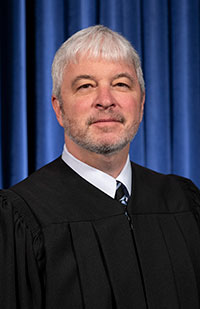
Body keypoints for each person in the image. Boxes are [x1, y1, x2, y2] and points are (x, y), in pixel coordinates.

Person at [0, 25, 200, 309]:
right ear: (59, 108)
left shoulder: (183, 202)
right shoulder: (22, 217)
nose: (106, 101)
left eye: (121, 84)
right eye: (85, 86)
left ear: (141, 104)